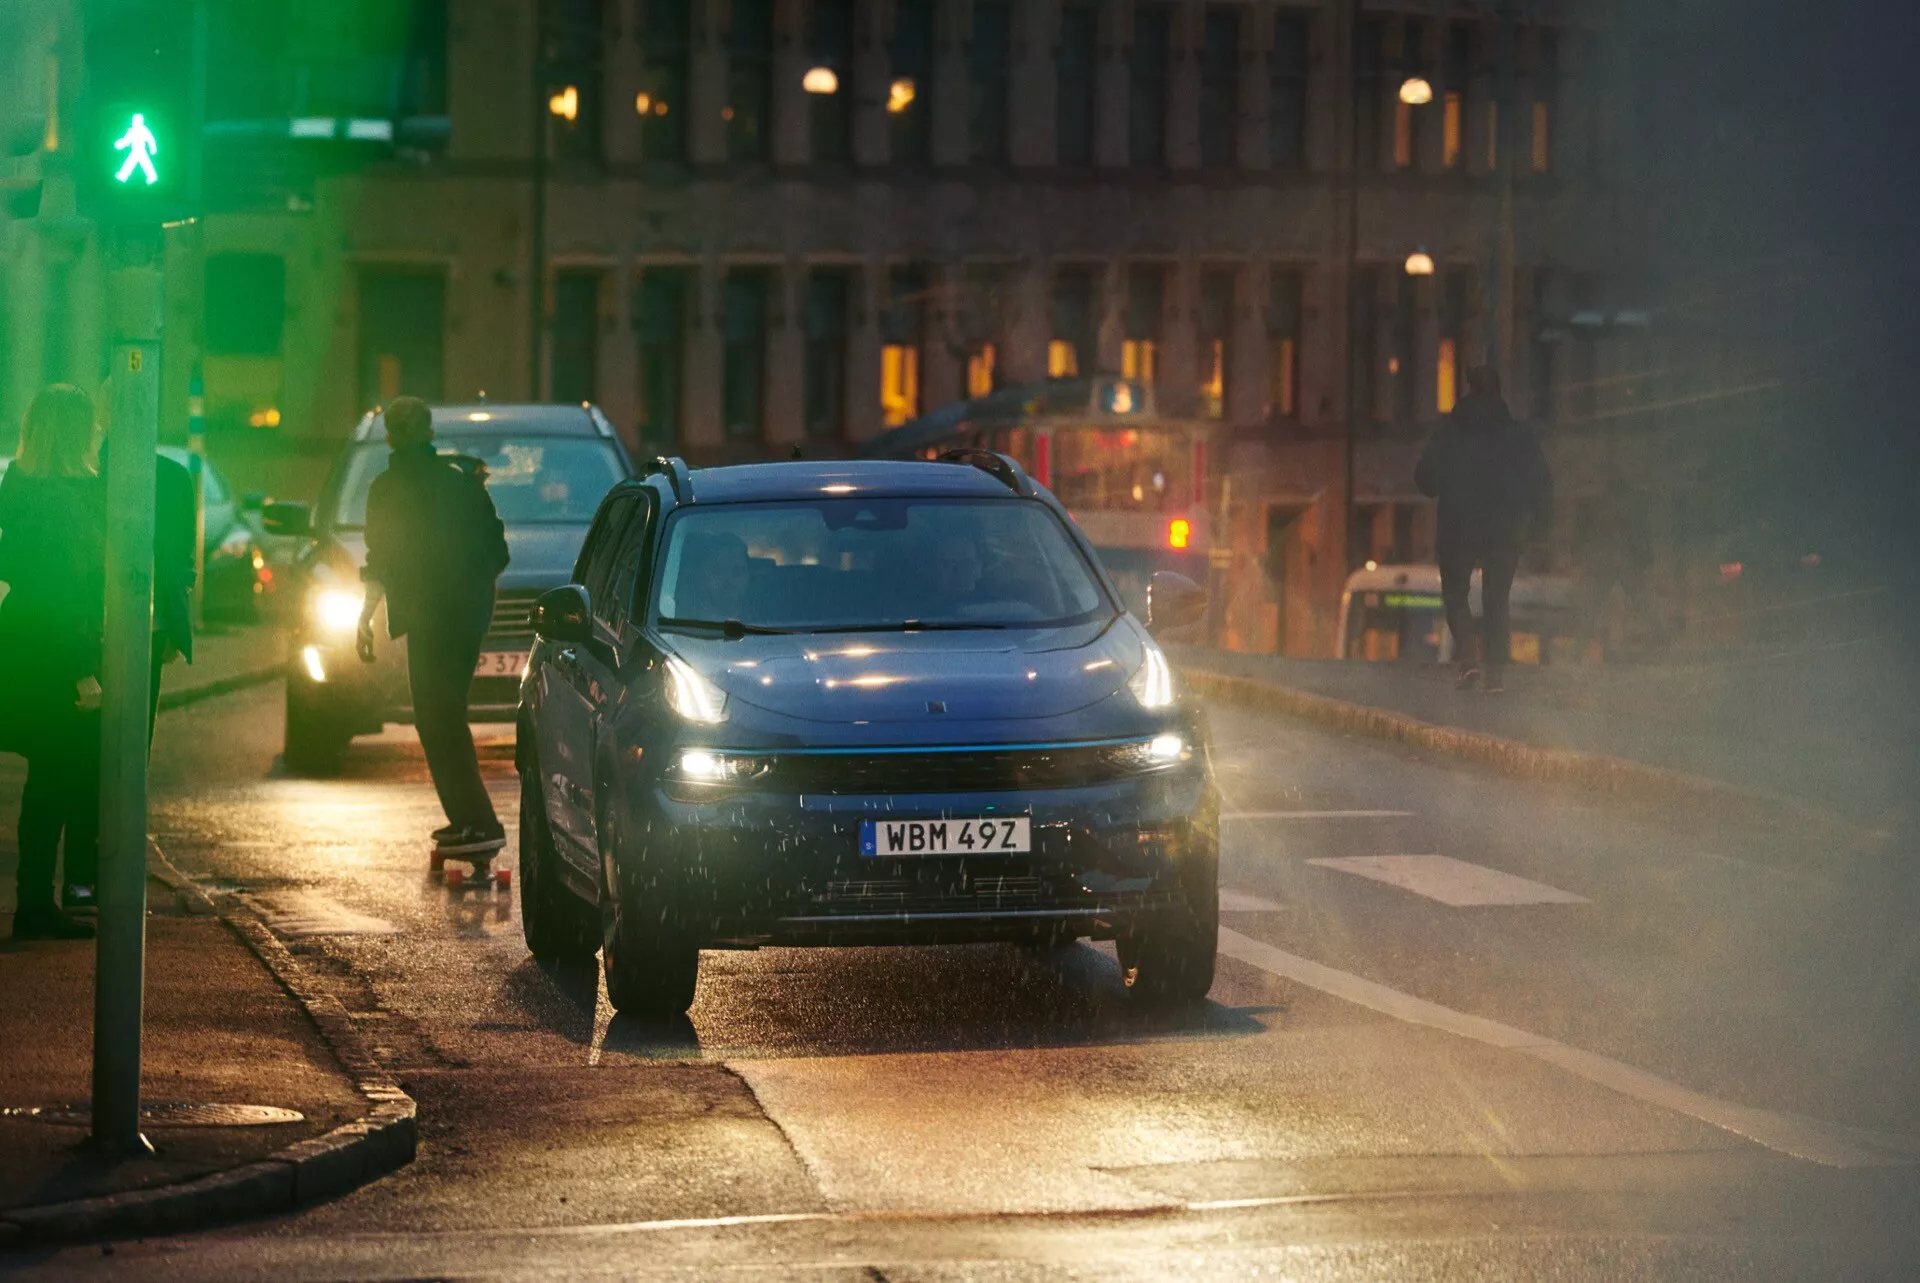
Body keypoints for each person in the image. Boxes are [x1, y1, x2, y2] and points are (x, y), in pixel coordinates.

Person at [355, 397, 510, 857]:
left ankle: (479, 824)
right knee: (446, 716)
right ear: (430, 433)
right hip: (466, 617)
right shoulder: (462, 483)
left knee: (437, 718)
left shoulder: (386, 489)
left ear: (390, 437)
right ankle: (468, 821)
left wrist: (366, 615)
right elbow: (498, 552)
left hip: (427, 619)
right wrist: (472, 587)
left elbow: (379, 560)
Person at [0, 386, 108, 939]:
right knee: (54, 778)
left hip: (19, 636)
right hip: (61, 647)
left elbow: (17, 568)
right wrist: (82, 667)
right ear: (76, 429)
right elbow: (68, 588)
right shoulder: (75, 496)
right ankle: (35, 905)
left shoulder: (17, 483)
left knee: (45, 772)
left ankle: (34, 903)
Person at [1414, 366, 1553, 693]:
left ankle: (1467, 660)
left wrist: (1451, 480)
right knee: (1496, 598)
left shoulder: (1450, 432)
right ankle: (1496, 674)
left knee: (1455, 594)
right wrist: (1540, 526)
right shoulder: (1518, 436)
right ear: (1498, 391)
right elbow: (1541, 483)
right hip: (1504, 529)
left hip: (1458, 526)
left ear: (1469, 389)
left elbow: (1424, 479)